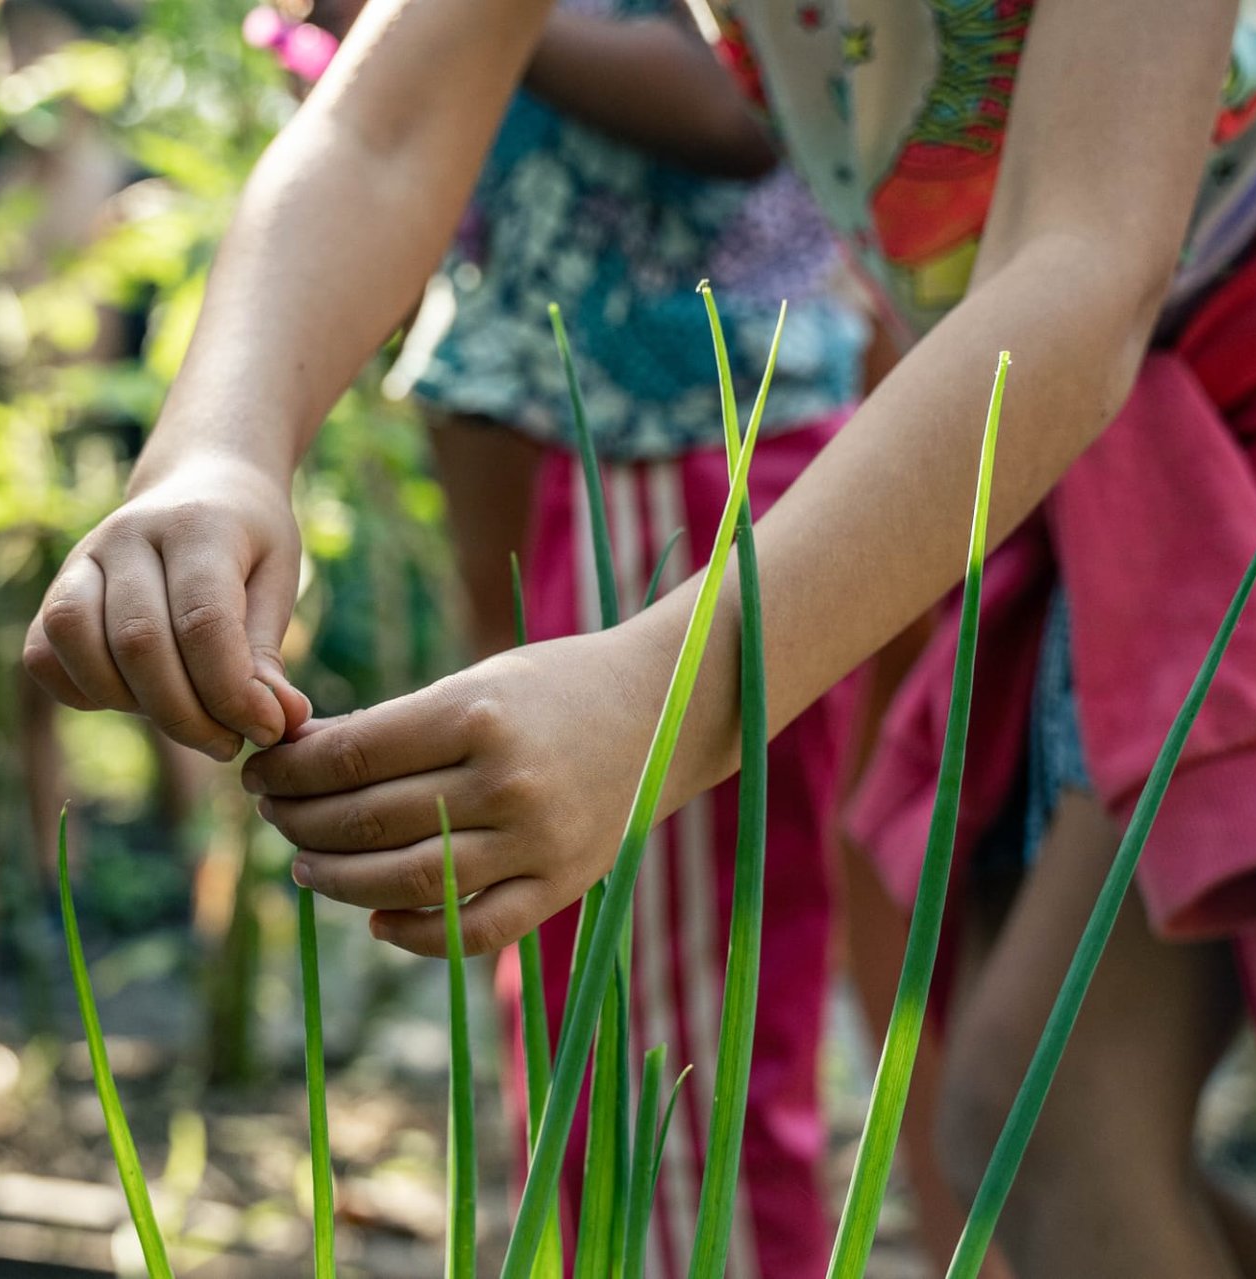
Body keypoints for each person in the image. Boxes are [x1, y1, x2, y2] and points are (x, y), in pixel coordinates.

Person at [23, 1, 1256, 1275]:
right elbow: (384, 123)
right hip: (1114, 427)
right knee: (1029, 1128)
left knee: (1043, 1129)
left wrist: (669, 694)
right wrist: (215, 451)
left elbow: (1084, 259)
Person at [258, 4, 867, 1273]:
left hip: (678, 420)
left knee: (684, 1049)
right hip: (560, 422)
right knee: (584, 995)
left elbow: (733, 101)